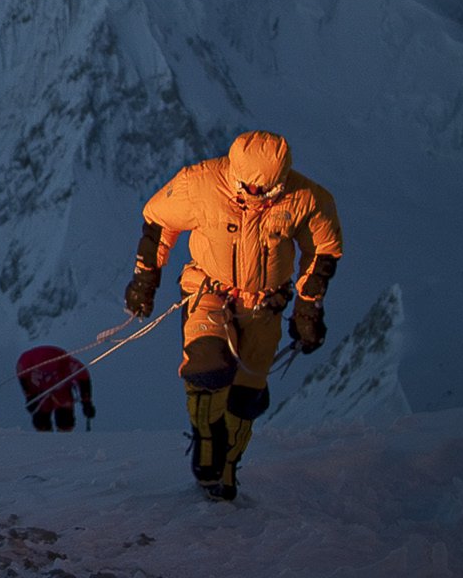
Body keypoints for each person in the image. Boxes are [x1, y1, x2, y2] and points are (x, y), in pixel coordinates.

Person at [123, 130, 342, 501]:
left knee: (246, 396)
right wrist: (146, 277)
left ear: (281, 179)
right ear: (234, 173)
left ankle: (226, 470)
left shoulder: (304, 198)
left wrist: (307, 305)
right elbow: (159, 220)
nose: (257, 197)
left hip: (264, 306)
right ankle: (208, 448)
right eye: (249, 188)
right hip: (208, 291)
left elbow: (323, 248)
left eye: (268, 191)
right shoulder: (201, 184)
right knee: (206, 368)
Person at [16, 345, 95, 431]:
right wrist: (30, 396)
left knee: (65, 417)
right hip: (40, 390)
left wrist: (86, 402)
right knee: (41, 418)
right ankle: (44, 437)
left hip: (61, 388)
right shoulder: (26, 361)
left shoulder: (68, 364)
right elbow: (23, 378)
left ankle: (64, 436)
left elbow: (83, 378)